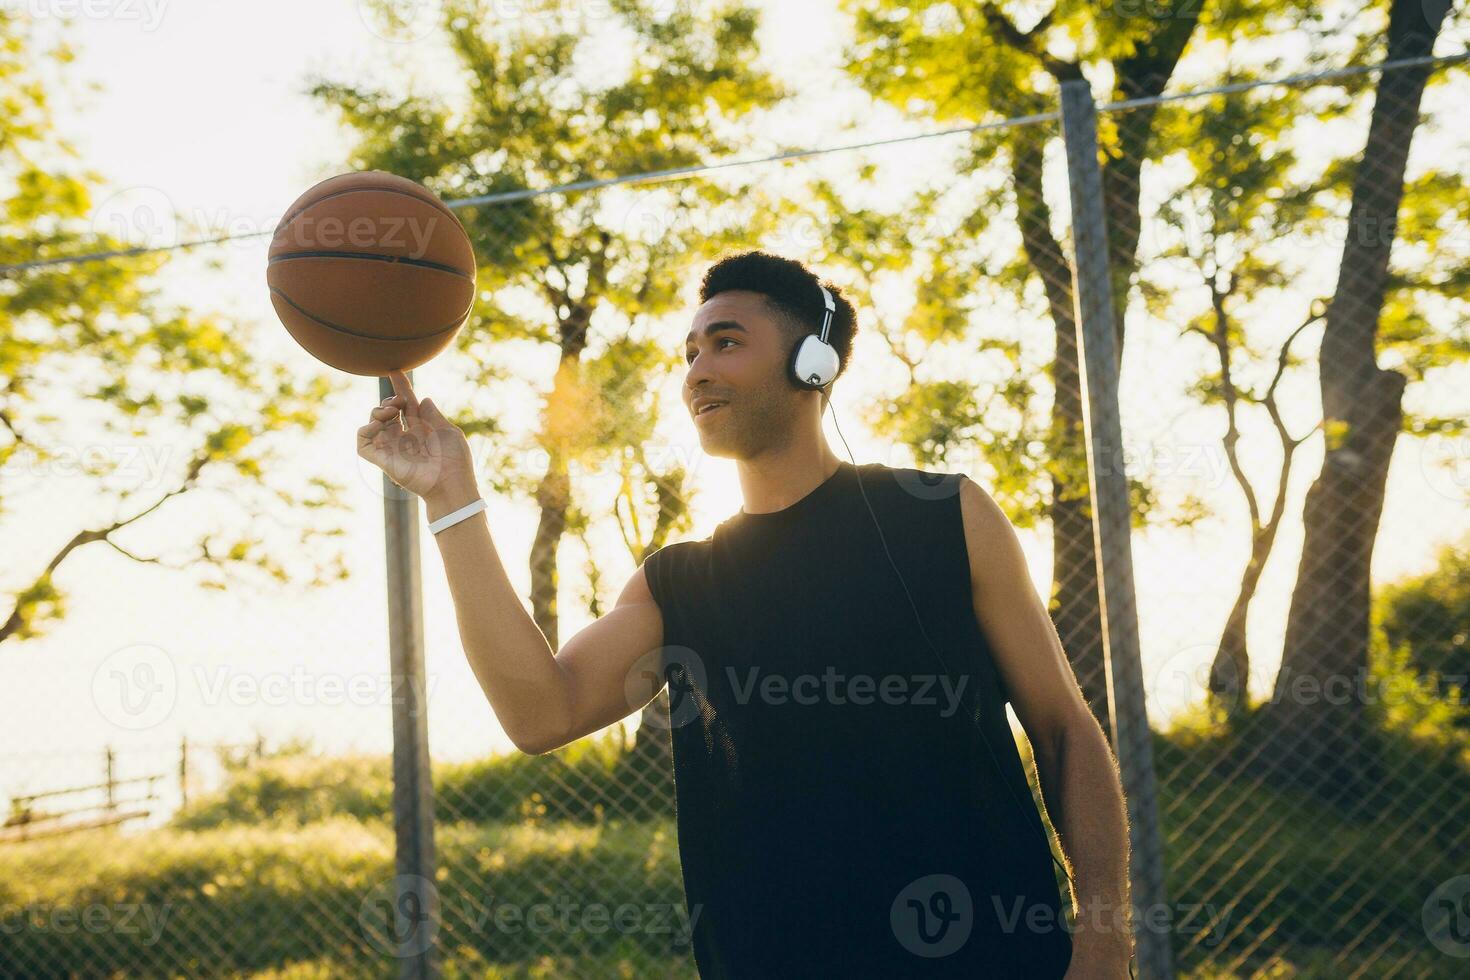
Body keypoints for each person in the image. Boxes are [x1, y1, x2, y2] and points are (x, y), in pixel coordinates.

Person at [357, 250, 1135, 978]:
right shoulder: (680, 583)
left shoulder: (943, 515)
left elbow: (1065, 729)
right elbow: (539, 712)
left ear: (813, 363)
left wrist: (1103, 932)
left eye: (725, 343)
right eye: (689, 353)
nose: (696, 372)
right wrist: (451, 498)